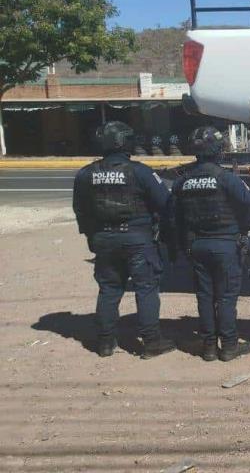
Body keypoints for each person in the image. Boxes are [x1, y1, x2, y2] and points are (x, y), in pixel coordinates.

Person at [72, 121, 176, 359]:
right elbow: (166, 203)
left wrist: (91, 236)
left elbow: (80, 209)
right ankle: (151, 341)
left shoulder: (86, 174)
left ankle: (105, 343)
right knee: (146, 289)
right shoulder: (141, 171)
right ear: (124, 142)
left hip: (103, 240)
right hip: (137, 240)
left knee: (108, 289)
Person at [170, 127, 250, 362]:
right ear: (218, 151)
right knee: (225, 297)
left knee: (205, 297)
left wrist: (179, 247)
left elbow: (174, 218)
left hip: (197, 247)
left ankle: (210, 347)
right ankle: (230, 346)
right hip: (224, 246)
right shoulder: (225, 178)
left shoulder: (182, 181)